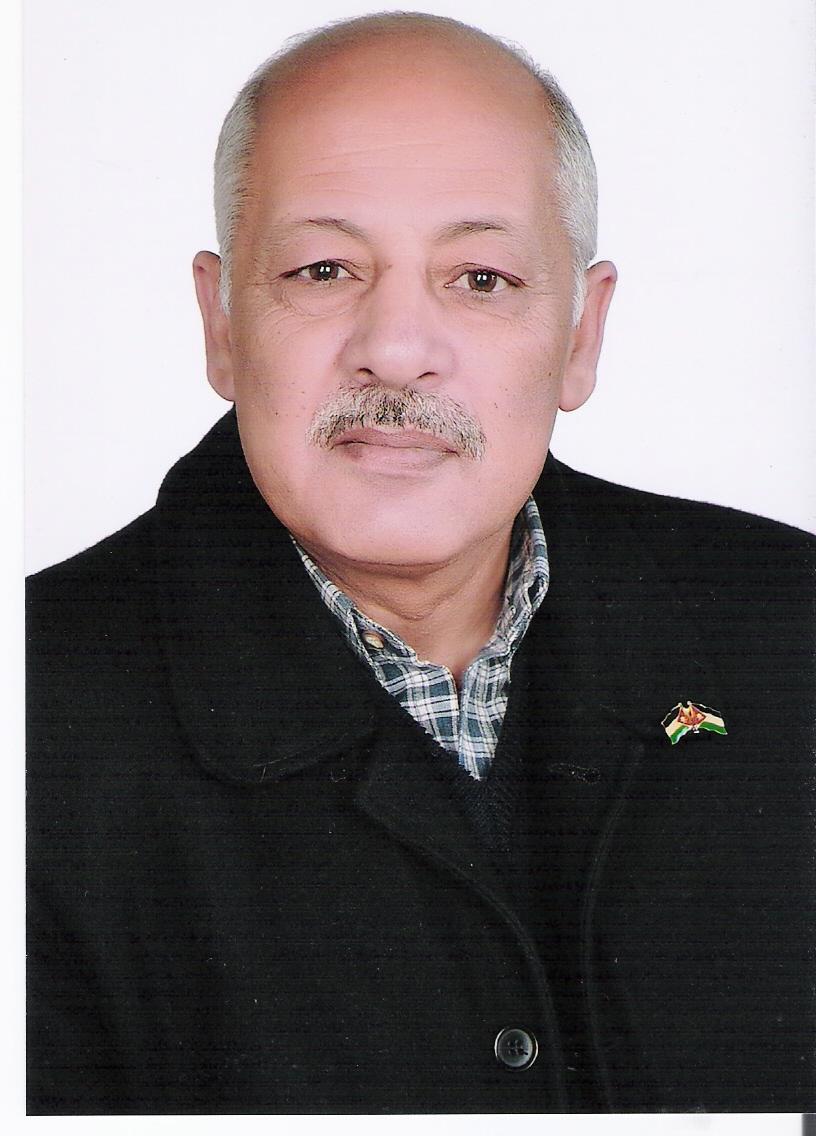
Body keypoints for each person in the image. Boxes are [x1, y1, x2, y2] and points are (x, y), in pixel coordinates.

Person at [26, 11, 814, 1115]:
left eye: (481, 278)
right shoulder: (33, 717)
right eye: (323, 268)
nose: (396, 350)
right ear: (222, 322)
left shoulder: (791, 625)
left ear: (581, 334)